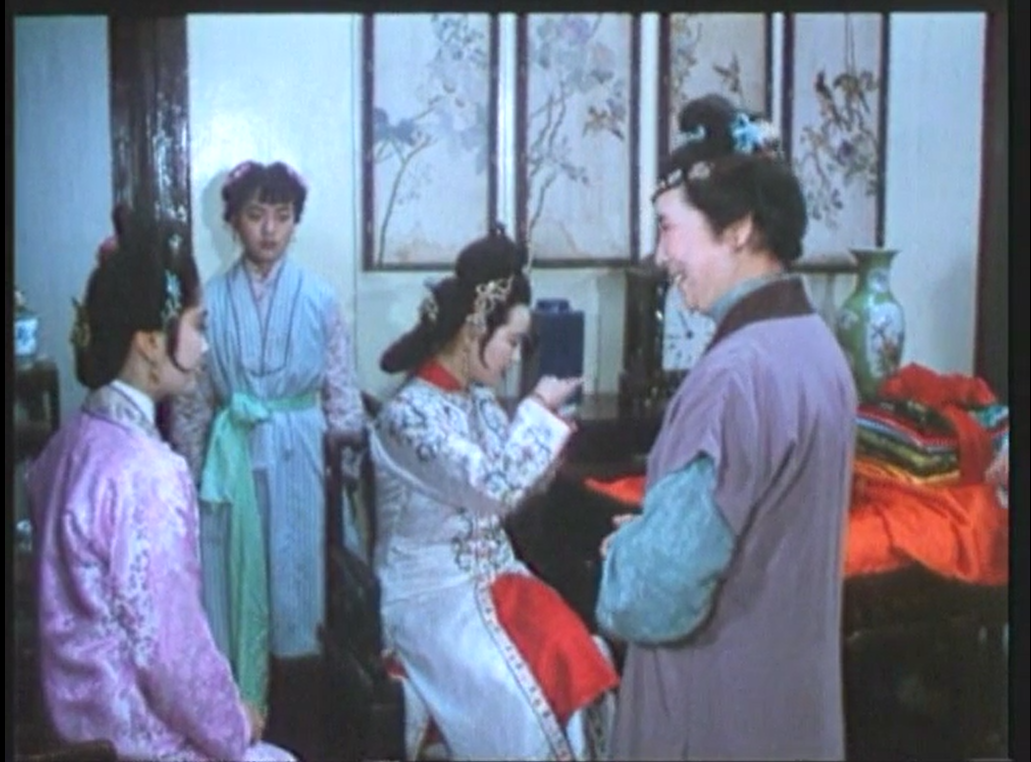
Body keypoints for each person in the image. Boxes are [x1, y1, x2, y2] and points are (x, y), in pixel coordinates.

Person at [595, 94, 858, 760]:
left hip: (715, 715)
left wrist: (629, 551)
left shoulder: (734, 376)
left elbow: (653, 598)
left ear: (738, 229)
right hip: (790, 713)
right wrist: (659, 533)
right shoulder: (818, 348)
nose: (661, 256)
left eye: (668, 228)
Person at [26, 213, 295, 761]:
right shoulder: (148, 472)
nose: (205, 347)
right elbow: (171, 653)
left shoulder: (65, 445)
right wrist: (234, 720)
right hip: (136, 738)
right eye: (198, 326)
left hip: (72, 727)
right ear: (151, 342)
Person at [370, 226, 619, 760]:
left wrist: (547, 441)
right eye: (511, 341)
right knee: (513, 702)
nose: (512, 357)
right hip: (430, 595)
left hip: (497, 575)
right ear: (473, 329)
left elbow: (512, 487)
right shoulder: (406, 417)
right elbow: (492, 488)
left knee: (578, 657)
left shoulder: (478, 400)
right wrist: (536, 413)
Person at [168, 161, 366, 739]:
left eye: (282, 216)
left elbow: (342, 391)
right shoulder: (210, 301)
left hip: (302, 454)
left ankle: (303, 724)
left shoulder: (320, 298)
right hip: (233, 455)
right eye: (256, 215)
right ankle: (240, 725)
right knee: (234, 587)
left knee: (300, 589)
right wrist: (190, 477)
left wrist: (346, 471)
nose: (270, 230)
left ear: (295, 222)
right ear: (234, 222)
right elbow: (194, 401)